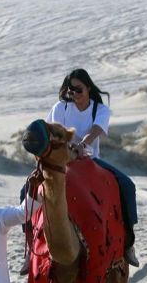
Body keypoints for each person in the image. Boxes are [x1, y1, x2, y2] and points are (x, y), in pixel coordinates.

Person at [46, 68, 140, 268]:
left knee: (127, 185)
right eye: (70, 91)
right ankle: (30, 248)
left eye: (78, 90)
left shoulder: (100, 109)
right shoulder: (60, 108)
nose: (74, 95)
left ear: (88, 87)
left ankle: (129, 242)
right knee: (27, 190)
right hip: (63, 161)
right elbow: (55, 131)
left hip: (90, 159)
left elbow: (96, 129)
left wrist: (82, 145)